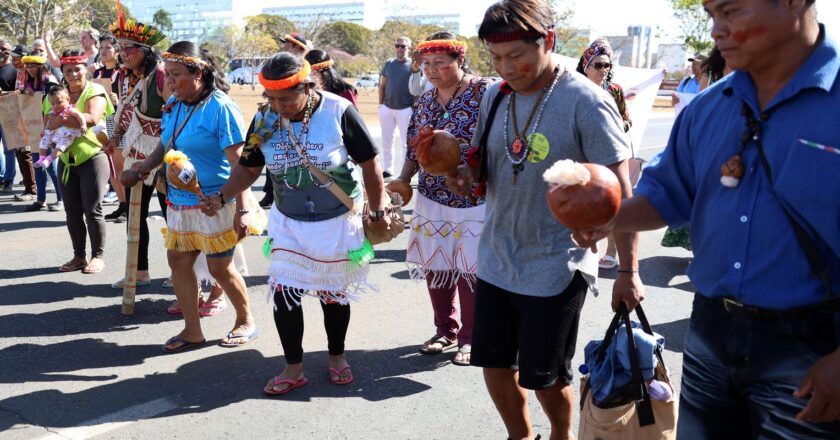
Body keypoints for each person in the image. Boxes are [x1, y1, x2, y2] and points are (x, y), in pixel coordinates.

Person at [572, 0, 840, 437]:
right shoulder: (708, 107)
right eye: (712, 13)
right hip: (711, 333)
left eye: (732, 10)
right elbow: (663, 197)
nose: (716, 29)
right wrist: (605, 216)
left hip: (814, 347)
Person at [446, 1, 642, 438]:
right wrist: (460, 176)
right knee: (493, 363)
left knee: (546, 375)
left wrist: (628, 272)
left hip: (558, 262)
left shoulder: (587, 102)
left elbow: (623, 194)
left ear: (548, 41)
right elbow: (481, 168)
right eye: (496, 58)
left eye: (516, 55)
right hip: (497, 256)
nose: (506, 67)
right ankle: (521, 435)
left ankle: (561, 433)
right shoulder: (494, 97)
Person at [202, 52, 394, 394]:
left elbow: (370, 164)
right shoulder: (263, 119)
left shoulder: (338, 111)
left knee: (332, 295)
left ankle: (336, 356)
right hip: (288, 222)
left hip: (336, 222)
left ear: (307, 87)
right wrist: (222, 196)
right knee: (284, 292)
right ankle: (293, 367)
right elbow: (248, 168)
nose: (279, 106)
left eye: (286, 99)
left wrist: (377, 211)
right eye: (272, 99)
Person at [121, 41, 257, 353]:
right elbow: (165, 144)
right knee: (178, 261)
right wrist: (143, 167)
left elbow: (242, 165)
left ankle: (246, 320)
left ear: (200, 73)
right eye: (167, 74)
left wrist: (241, 209)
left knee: (220, 268)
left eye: (176, 74)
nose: (169, 81)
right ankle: (192, 330)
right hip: (180, 201)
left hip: (217, 201)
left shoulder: (220, 108)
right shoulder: (176, 105)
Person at [390, 32, 491, 366]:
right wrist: (403, 180)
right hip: (432, 197)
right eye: (426, 65)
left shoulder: (485, 92)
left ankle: (472, 337)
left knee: (470, 270)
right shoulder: (425, 102)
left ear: (459, 61)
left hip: (475, 198)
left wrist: (472, 169)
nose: (432, 71)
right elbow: (411, 148)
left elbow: (503, 139)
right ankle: (444, 330)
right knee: (437, 267)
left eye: (440, 64)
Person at [107, 19, 169, 287]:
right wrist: (114, 140)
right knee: (136, 213)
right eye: (119, 48)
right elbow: (124, 115)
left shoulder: (161, 74)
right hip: (136, 154)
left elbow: (175, 114)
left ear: (145, 49)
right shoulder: (126, 76)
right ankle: (139, 270)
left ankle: (181, 273)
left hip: (165, 154)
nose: (122, 53)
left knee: (172, 214)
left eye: (128, 47)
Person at [50, 49, 114, 274]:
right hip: (66, 160)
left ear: (85, 68)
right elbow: (48, 121)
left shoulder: (95, 89)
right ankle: (79, 256)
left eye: (77, 69)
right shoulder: (59, 93)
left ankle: (98, 256)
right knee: (72, 212)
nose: (74, 74)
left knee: (92, 209)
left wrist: (60, 120)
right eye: (68, 70)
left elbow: (92, 118)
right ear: (63, 73)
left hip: (92, 157)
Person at [575, 40, 632, 270]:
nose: (603, 70)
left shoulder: (614, 90)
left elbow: (627, 120)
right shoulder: (573, 87)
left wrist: (614, 127)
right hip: (580, 156)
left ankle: (611, 251)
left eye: (607, 65)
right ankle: (583, 247)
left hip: (608, 155)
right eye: (598, 65)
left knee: (612, 202)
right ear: (586, 65)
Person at [16, 52, 62, 212]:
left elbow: (54, 106)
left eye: (32, 65)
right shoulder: (28, 83)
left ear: (40, 66)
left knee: (50, 166)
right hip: (35, 131)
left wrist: (47, 128)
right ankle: (40, 200)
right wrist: (26, 93)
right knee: (38, 165)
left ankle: (61, 199)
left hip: (49, 128)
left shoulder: (50, 83)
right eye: (27, 65)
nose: (29, 68)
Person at [94, 32, 126, 221]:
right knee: (112, 165)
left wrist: (119, 100)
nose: (104, 51)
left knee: (120, 164)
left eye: (108, 47)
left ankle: (128, 205)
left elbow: (131, 98)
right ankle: (121, 203)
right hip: (103, 121)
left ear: (117, 50)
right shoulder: (97, 73)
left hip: (118, 120)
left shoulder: (122, 72)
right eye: (102, 48)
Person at [1, 44, 38, 201]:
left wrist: (8, 93)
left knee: (30, 154)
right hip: (18, 119)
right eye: (15, 59)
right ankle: (30, 188)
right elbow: (19, 92)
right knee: (21, 153)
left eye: (19, 59)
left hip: (32, 119)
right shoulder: (20, 75)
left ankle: (36, 191)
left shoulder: (35, 74)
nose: (16, 62)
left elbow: (28, 93)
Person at [378, 36, 414, 178]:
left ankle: (405, 173)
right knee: (387, 141)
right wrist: (380, 105)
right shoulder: (389, 63)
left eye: (403, 46)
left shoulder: (414, 65)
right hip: (387, 108)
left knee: (406, 143)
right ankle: (388, 170)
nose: (399, 48)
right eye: (397, 45)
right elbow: (382, 85)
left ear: (409, 48)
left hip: (405, 109)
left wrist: (413, 106)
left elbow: (417, 87)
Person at [35, 85, 87, 169]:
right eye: (53, 103)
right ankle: (41, 158)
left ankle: (49, 159)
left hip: (66, 135)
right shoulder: (53, 112)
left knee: (60, 147)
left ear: (68, 99)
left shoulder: (69, 110)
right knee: (43, 141)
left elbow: (79, 116)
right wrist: (45, 130)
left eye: (59, 102)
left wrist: (83, 124)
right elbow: (49, 122)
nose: (56, 106)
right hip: (54, 133)